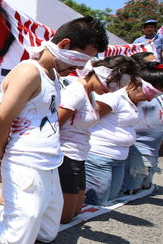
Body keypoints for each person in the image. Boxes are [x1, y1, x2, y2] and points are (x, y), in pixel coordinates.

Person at [0, 17, 109, 244]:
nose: (80, 68)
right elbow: (0, 121)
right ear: (64, 45)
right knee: (15, 241)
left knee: (47, 232)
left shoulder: (53, 75)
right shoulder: (29, 72)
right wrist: (2, 155)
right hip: (25, 161)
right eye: (81, 59)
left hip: (50, 164)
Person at [57, 55, 137, 223]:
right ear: (99, 74)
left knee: (76, 212)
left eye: (118, 88)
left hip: (79, 155)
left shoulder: (90, 94)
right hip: (66, 156)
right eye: (110, 85)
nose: (111, 91)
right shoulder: (75, 93)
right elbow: (53, 126)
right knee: (65, 218)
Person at [83, 60, 163, 206]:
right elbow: (86, 122)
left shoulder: (136, 102)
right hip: (99, 155)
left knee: (110, 198)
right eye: (150, 92)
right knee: (96, 201)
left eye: (156, 96)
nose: (150, 99)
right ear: (136, 82)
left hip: (119, 158)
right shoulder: (113, 98)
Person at [121, 60, 163, 195]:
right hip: (138, 148)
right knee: (131, 187)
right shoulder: (136, 97)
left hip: (152, 150)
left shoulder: (151, 98)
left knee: (144, 183)